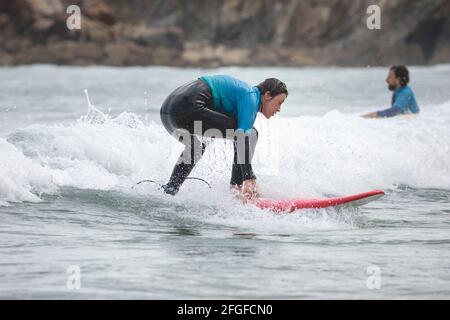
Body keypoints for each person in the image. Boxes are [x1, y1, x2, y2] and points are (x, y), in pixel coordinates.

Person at [160, 75, 288, 200]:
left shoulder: (244, 97)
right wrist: (249, 178)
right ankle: (237, 190)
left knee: (197, 146)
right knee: (251, 134)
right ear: (267, 95)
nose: (279, 109)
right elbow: (241, 136)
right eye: (279, 103)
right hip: (189, 107)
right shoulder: (251, 97)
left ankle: (170, 190)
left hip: (168, 113)